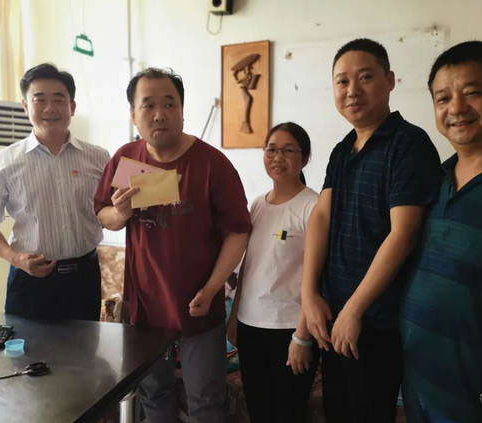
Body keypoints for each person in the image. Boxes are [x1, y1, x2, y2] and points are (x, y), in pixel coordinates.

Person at [94, 67, 251, 423]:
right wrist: (121, 213)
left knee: (206, 402)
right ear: (133, 114)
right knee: (154, 397)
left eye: (169, 104)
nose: (159, 114)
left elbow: (238, 232)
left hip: (200, 309)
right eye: (148, 105)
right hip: (146, 312)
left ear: (182, 110)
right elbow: (104, 215)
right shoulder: (126, 159)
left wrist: (213, 288)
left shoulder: (212, 164)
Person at [300, 38, 442, 423]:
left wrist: (355, 308)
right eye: (342, 81)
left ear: (390, 80)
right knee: (337, 412)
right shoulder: (342, 149)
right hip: (334, 316)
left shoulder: (408, 144)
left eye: (365, 78)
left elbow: (403, 234)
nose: (352, 91)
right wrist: (309, 294)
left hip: (376, 320)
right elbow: (321, 218)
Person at [400, 41, 482, 423]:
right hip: (422, 389)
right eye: (443, 98)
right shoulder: (434, 180)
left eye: (472, 93)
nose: (456, 108)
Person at [0, 63, 110, 321]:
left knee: (85, 347)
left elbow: (110, 211)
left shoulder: (99, 158)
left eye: (59, 99)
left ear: (72, 107)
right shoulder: (3, 162)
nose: (50, 108)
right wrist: (15, 258)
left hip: (85, 276)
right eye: (39, 100)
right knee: (26, 347)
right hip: (30, 280)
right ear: (26, 106)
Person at [227, 122, 320, 423]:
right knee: (258, 411)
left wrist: (303, 338)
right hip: (251, 326)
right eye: (271, 150)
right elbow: (249, 266)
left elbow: (318, 278)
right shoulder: (257, 204)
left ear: (305, 158)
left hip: (289, 328)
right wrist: (234, 317)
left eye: (288, 150)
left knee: (286, 413)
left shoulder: (313, 206)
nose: (278, 157)